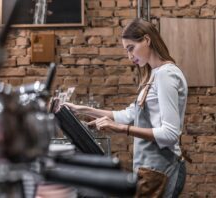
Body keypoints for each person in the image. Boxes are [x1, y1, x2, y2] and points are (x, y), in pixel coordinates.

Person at [62, 18, 188, 198]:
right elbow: (129, 114)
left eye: (131, 48)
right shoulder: (154, 75)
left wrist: (121, 129)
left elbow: (170, 134)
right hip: (153, 169)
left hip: (163, 169)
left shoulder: (166, 75)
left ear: (147, 40)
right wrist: (81, 109)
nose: (130, 57)